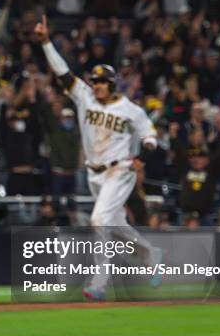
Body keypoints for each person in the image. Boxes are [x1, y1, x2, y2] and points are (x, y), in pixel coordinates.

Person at [35, 15, 163, 300]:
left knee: (99, 219)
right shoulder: (85, 97)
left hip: (121, 170)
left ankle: (99, 282)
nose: (97, 85)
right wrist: (45, 43)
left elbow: (150, 135)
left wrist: (145, 153)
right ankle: (151, 254)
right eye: (94, 81)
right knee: (115, 226)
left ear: (113, 84)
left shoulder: (130, 109)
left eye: (102, 82)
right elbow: (62, 73)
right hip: (94, 173)